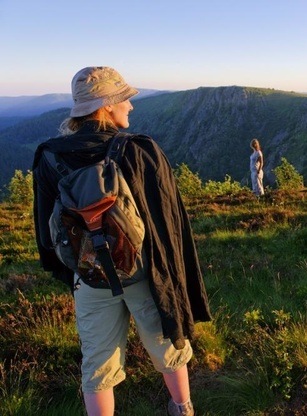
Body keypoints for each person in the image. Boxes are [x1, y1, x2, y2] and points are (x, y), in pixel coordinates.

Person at [32, 67, 211, 416]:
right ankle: (182, 409)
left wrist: (76, 273)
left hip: (90, 276)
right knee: (167, 346)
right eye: (123, 98)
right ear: (106, 106)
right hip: (144, 273)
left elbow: (46, 232)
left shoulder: (49, 158)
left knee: (97, 365)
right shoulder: (139, 151)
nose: (130, 104)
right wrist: (173, 280)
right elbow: (169, 227)